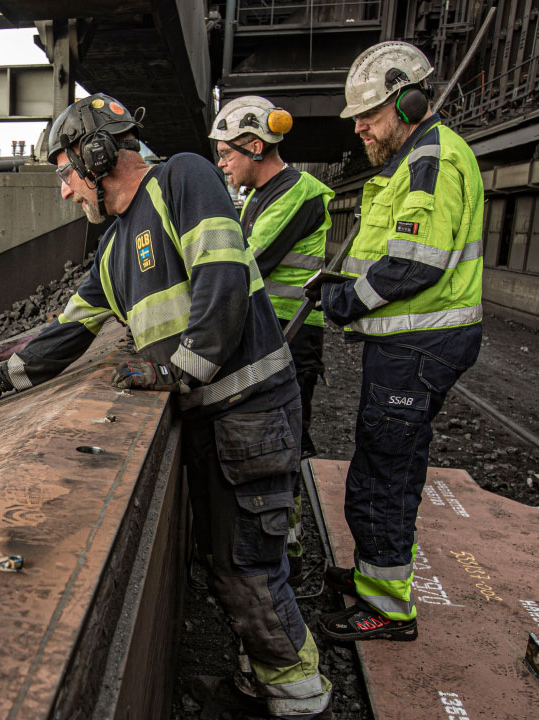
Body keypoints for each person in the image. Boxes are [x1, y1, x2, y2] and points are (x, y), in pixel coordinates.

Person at [0, 94, 332, 719]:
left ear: (97, 155)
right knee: (225, 561)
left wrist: (176, 368)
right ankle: (263, 676)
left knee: (248, 568)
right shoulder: (112, 249)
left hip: (251, 410)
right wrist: (1, 379)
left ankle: (302, 697)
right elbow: (69, 330)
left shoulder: (183, 178)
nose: (64, 191)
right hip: (217, 417)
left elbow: (223, 277)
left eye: (65, 174)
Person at [312, 41, 484, 643]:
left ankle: (387, 608)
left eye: (369, 114)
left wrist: (344, 301)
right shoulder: (416, 158)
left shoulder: (430, 161)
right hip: (411, 345)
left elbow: (415, 263)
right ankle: (370, 577)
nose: (359, 127)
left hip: (421, 347)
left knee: (386, 471)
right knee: (380, 461)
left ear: (409, 103)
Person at [210, 96, 334, 584]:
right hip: (272, 334)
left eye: (227, 154)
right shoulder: (262, 195)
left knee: (286, 443)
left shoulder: (298, 194)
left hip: (292, 335)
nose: (222, 164)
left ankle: (291, 549)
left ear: (255, 145)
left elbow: (246, 265)